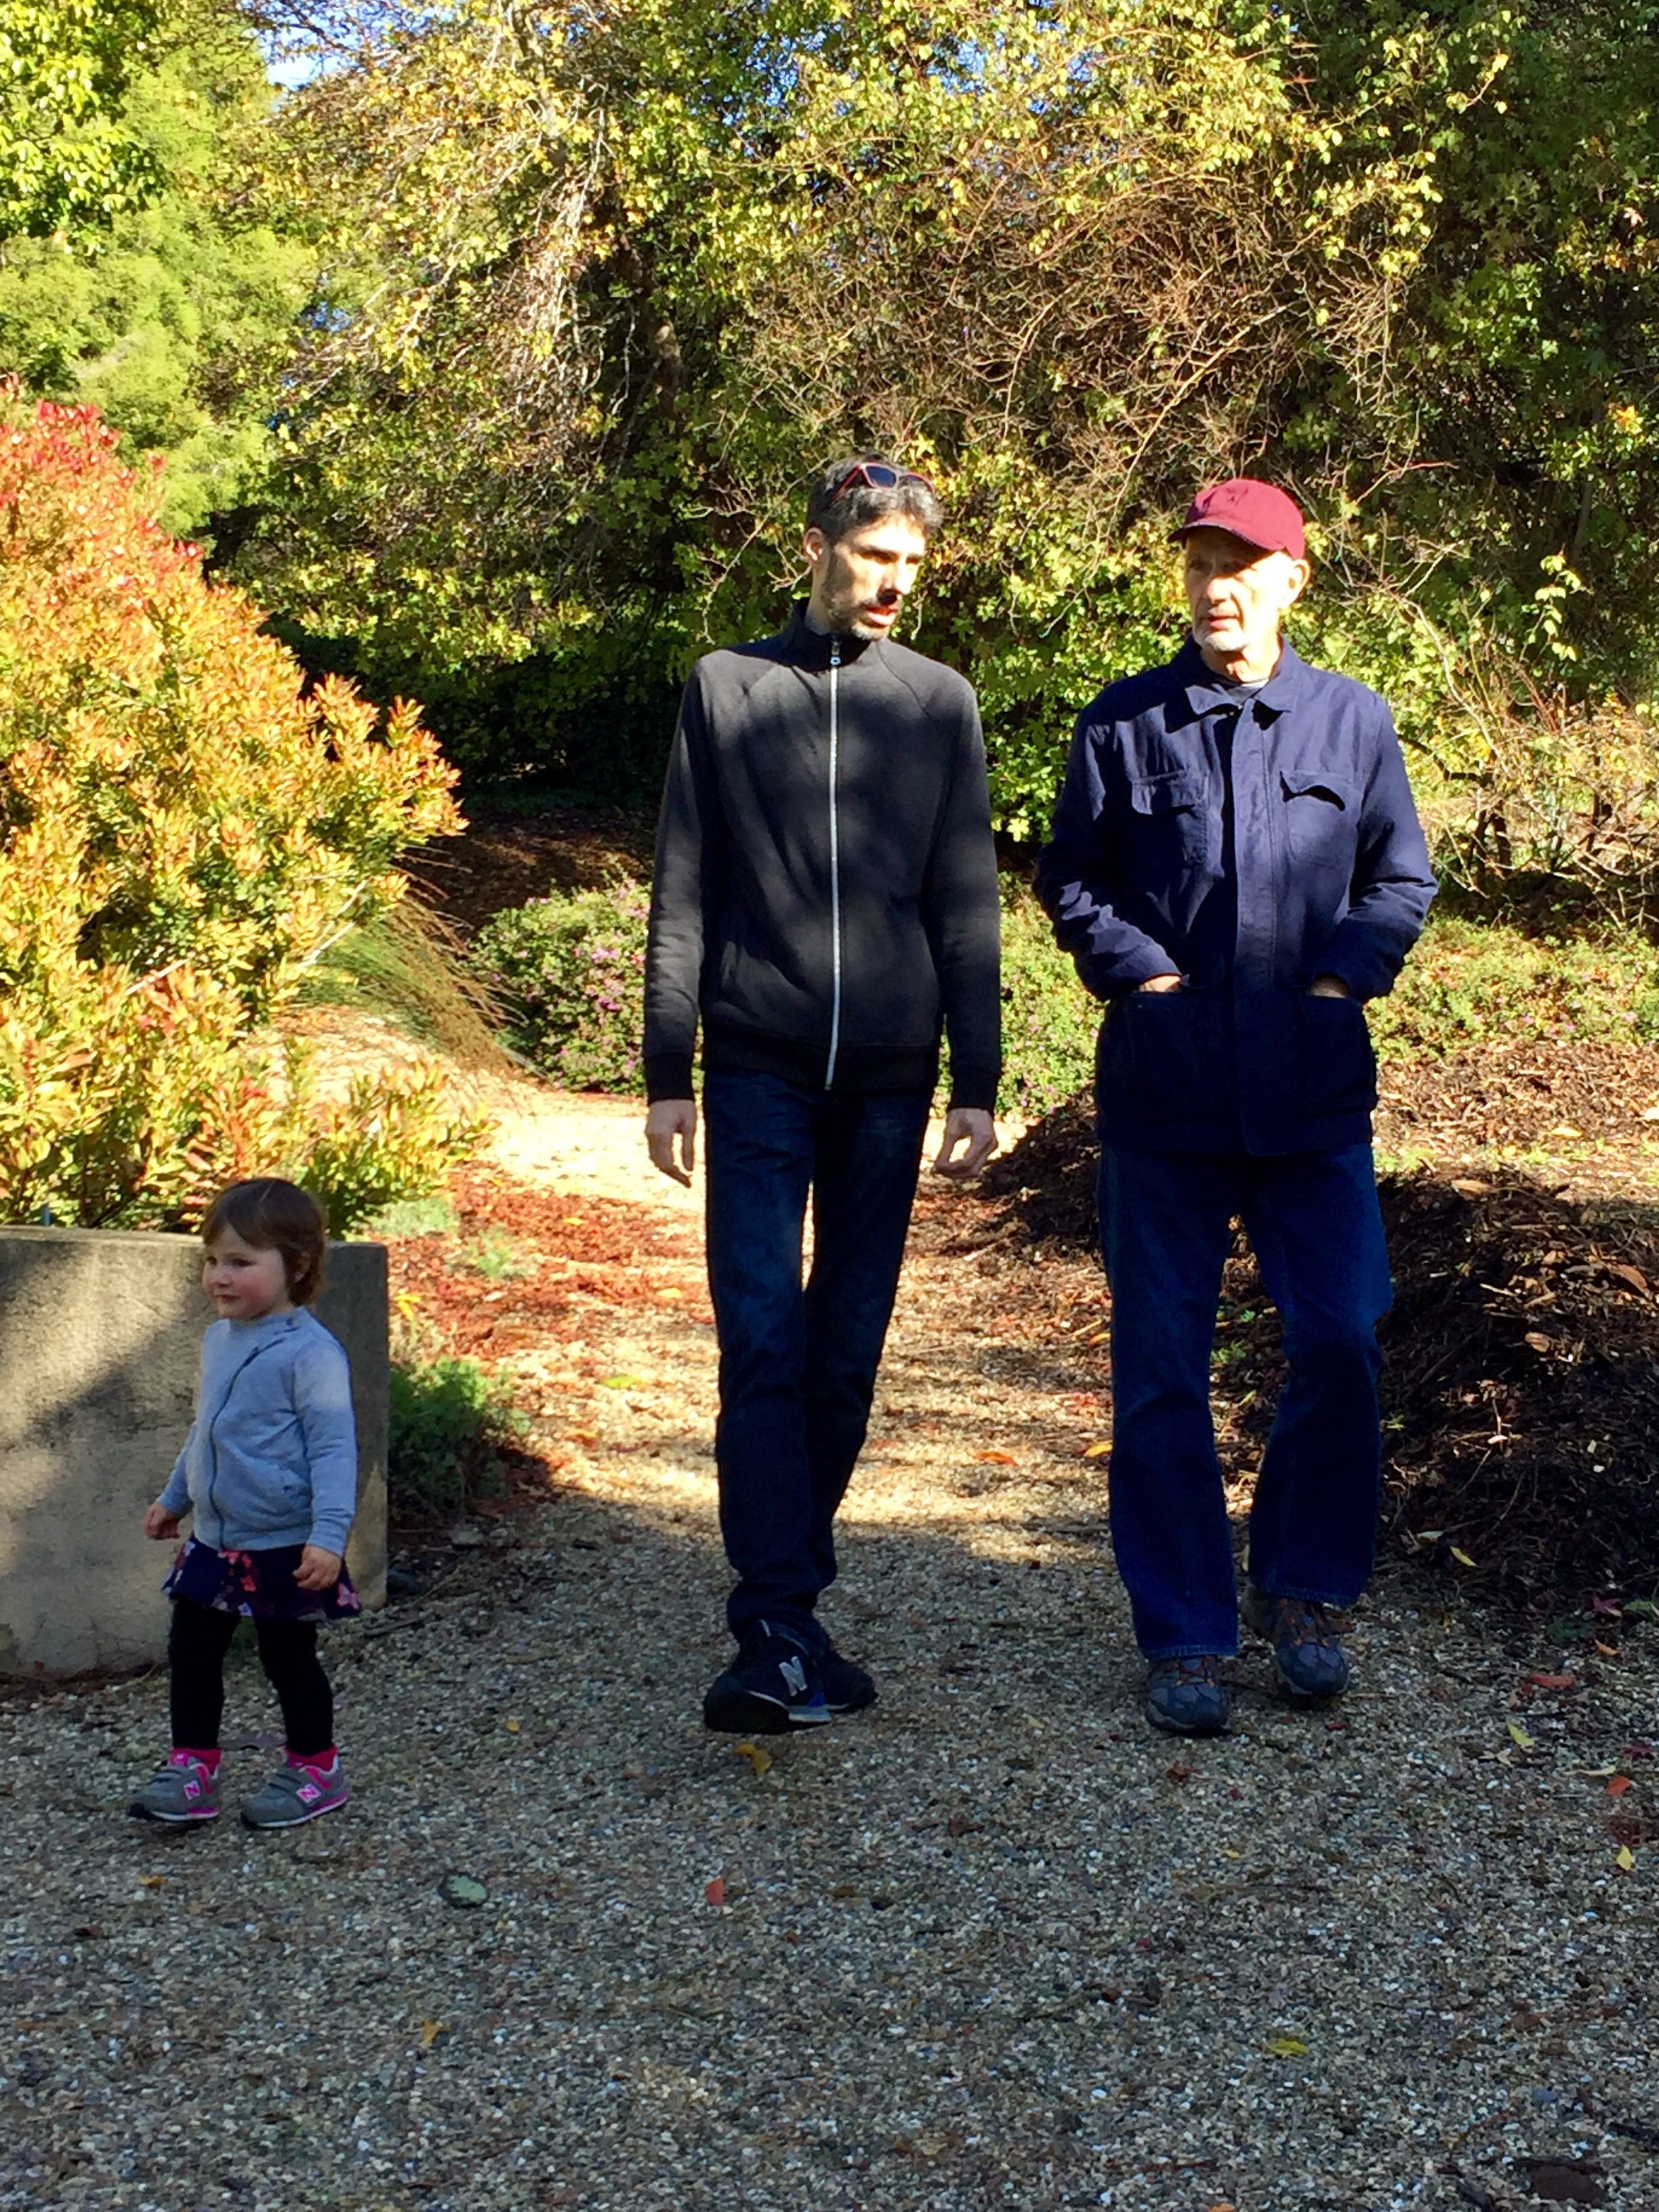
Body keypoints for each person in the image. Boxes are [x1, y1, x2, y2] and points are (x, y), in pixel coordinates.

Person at [1036, 478, 1435, 1736]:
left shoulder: (1352, 720)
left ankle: (1303, 1591)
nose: (1218, 587)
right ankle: (1185, 1632)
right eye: (1201, 564)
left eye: (1243, 565)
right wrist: (1144, 974)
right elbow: (1071, 874)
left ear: (1291, 581)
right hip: (1165, 1099)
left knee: (1341, 1335)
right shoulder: (1123, 720)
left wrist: (1338, 981)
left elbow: (1400, 877)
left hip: (1311, 1096)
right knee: (1161, 1367)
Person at [644, 453, 1002, 1734]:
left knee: (845, 1349)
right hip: (755, 1066)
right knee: (762, 1339)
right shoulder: (726, 687)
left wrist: (977, 1078)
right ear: (816, 548)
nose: (895, 583)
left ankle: (789, 1618)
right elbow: (684, 883)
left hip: (891, 1083)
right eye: (874, 557)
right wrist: (666, 1071)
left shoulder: (939, 703)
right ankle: (773, 1617)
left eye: (912, 564)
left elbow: (967, 895)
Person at [129, 1177, 361, 1828]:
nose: (219, 1277)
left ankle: (316, 1768)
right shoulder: (219, 1339)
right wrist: (175, 1497)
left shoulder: (311, 1355)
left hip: (284, 1541)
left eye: (240, 1262)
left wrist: (328, 1535)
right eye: (212, 1260)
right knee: (192, 1653)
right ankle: (193, 1767)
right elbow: (206, 1431)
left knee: (287, 1660)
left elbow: (334, 1450)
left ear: (298, 1266)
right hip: (214, 1537)